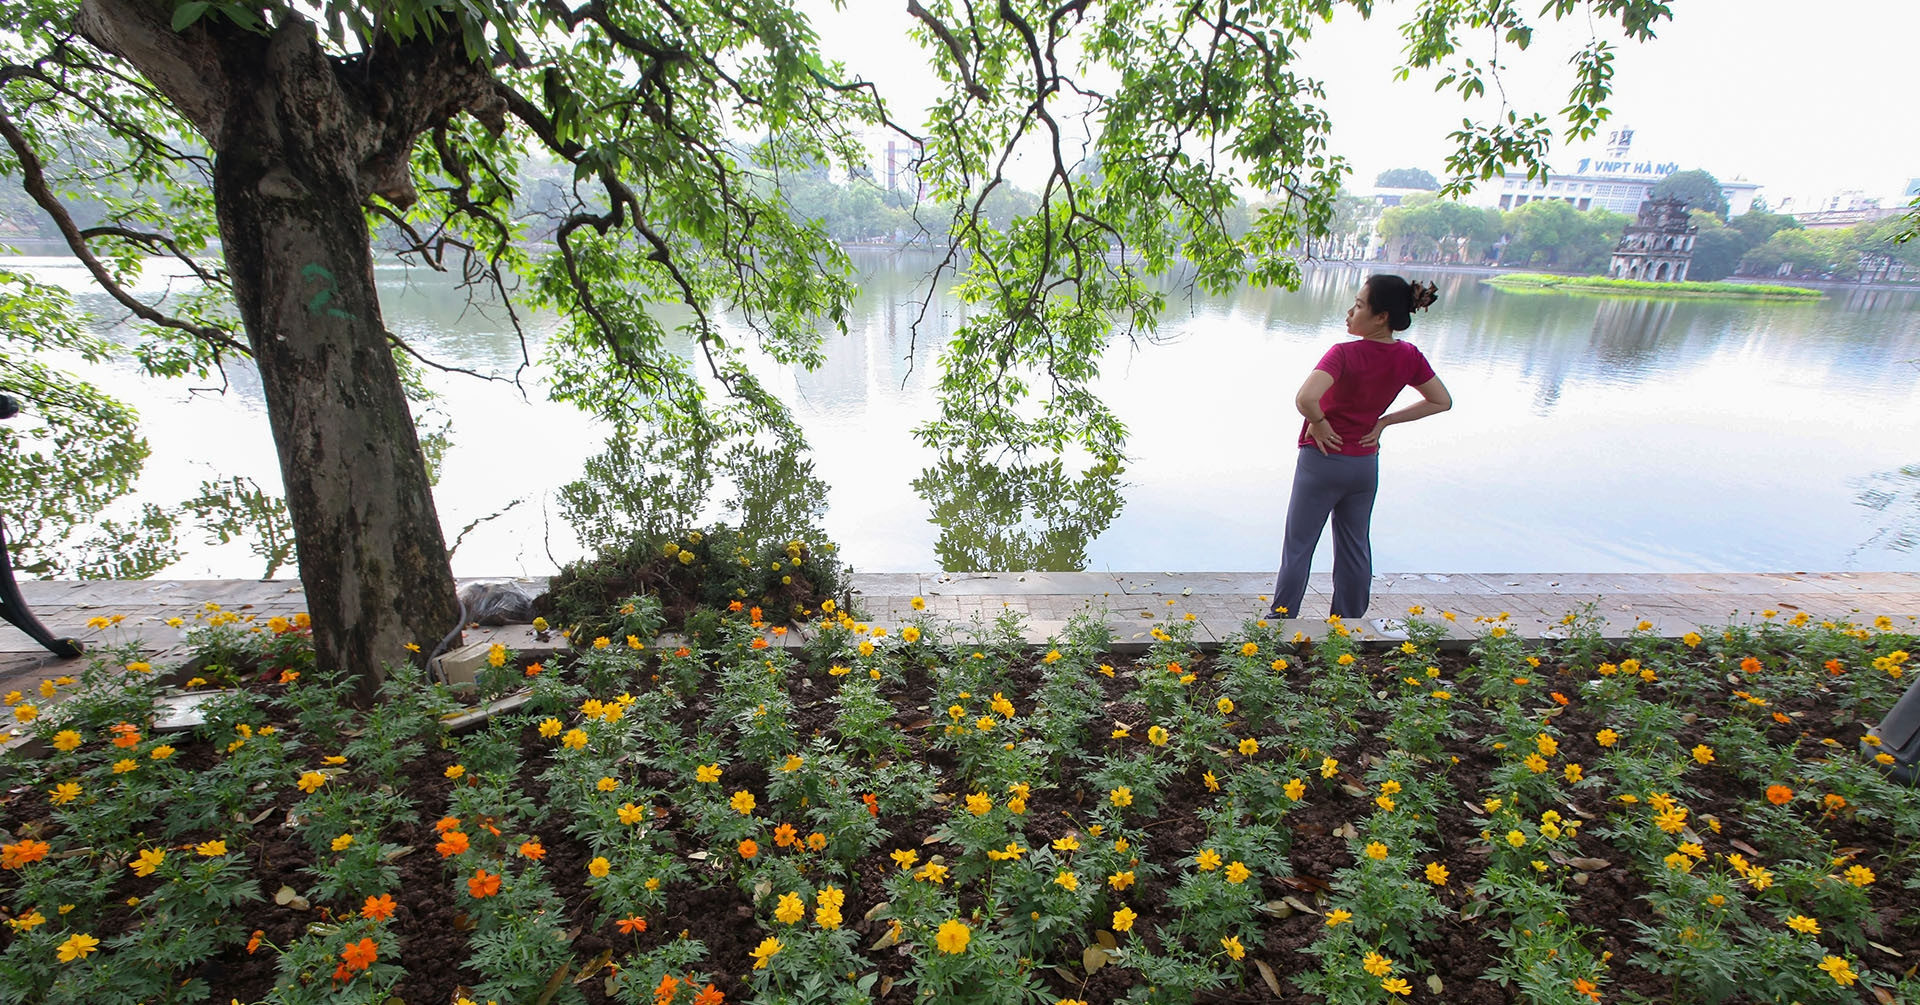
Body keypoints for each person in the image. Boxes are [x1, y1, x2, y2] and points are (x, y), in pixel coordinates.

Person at [1267, 275, 1451, 621]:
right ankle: (1348, 624)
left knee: (1299, 548)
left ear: (1381, 316)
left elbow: (1306, 399)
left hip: (1321, 461)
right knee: (1354, 548)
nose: (1350, 312)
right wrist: (1384, 422)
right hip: (1364, 465)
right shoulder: (1409, 356)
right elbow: (1441, 401)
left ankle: (1280, 623)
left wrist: (1319, 422)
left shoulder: (1344, 353)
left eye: (1360, 305)